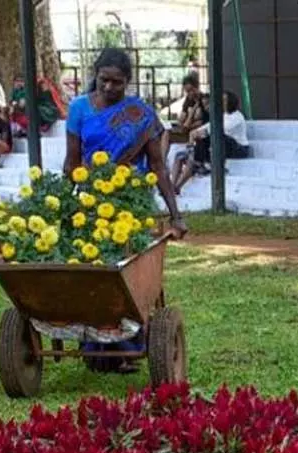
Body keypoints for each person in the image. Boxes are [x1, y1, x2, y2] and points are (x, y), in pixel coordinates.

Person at [64, 48, 187, 371]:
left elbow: (158, 167)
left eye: (117, 83)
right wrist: (65, 204)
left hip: (132, 204)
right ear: (96, 75)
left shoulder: (140, 114)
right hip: (92, 203)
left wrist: (175, 214)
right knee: (94, 271)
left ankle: (128, 346)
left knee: (128, 273)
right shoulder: (78, 109)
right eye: (104, 80)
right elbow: (72, 161)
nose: (109, 88)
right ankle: (95, 346)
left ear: (127, 82)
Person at [171, 91, 250, 194]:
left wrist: (201, 133)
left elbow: (220, 129)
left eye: (224, 100)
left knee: (217, 136)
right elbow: (207, 127)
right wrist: (194, 132)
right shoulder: (221, 116)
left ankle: (200, 164)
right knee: (181, 157)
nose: (221, 102)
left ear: (230, 102)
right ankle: (173, 187)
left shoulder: (237, 116)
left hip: (239, 149)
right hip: (220, 148)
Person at [162, 73, 207, 155]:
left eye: (191, 90)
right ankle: (162, 163)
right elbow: (182, 119)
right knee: (165, 134)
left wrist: (192, 114)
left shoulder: (204, 100)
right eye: (187, 91)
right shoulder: (188, 101)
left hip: (197, 132)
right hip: (186, 131)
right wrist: (178, 124)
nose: (190, 93)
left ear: (197, 87)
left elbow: (201, 121)